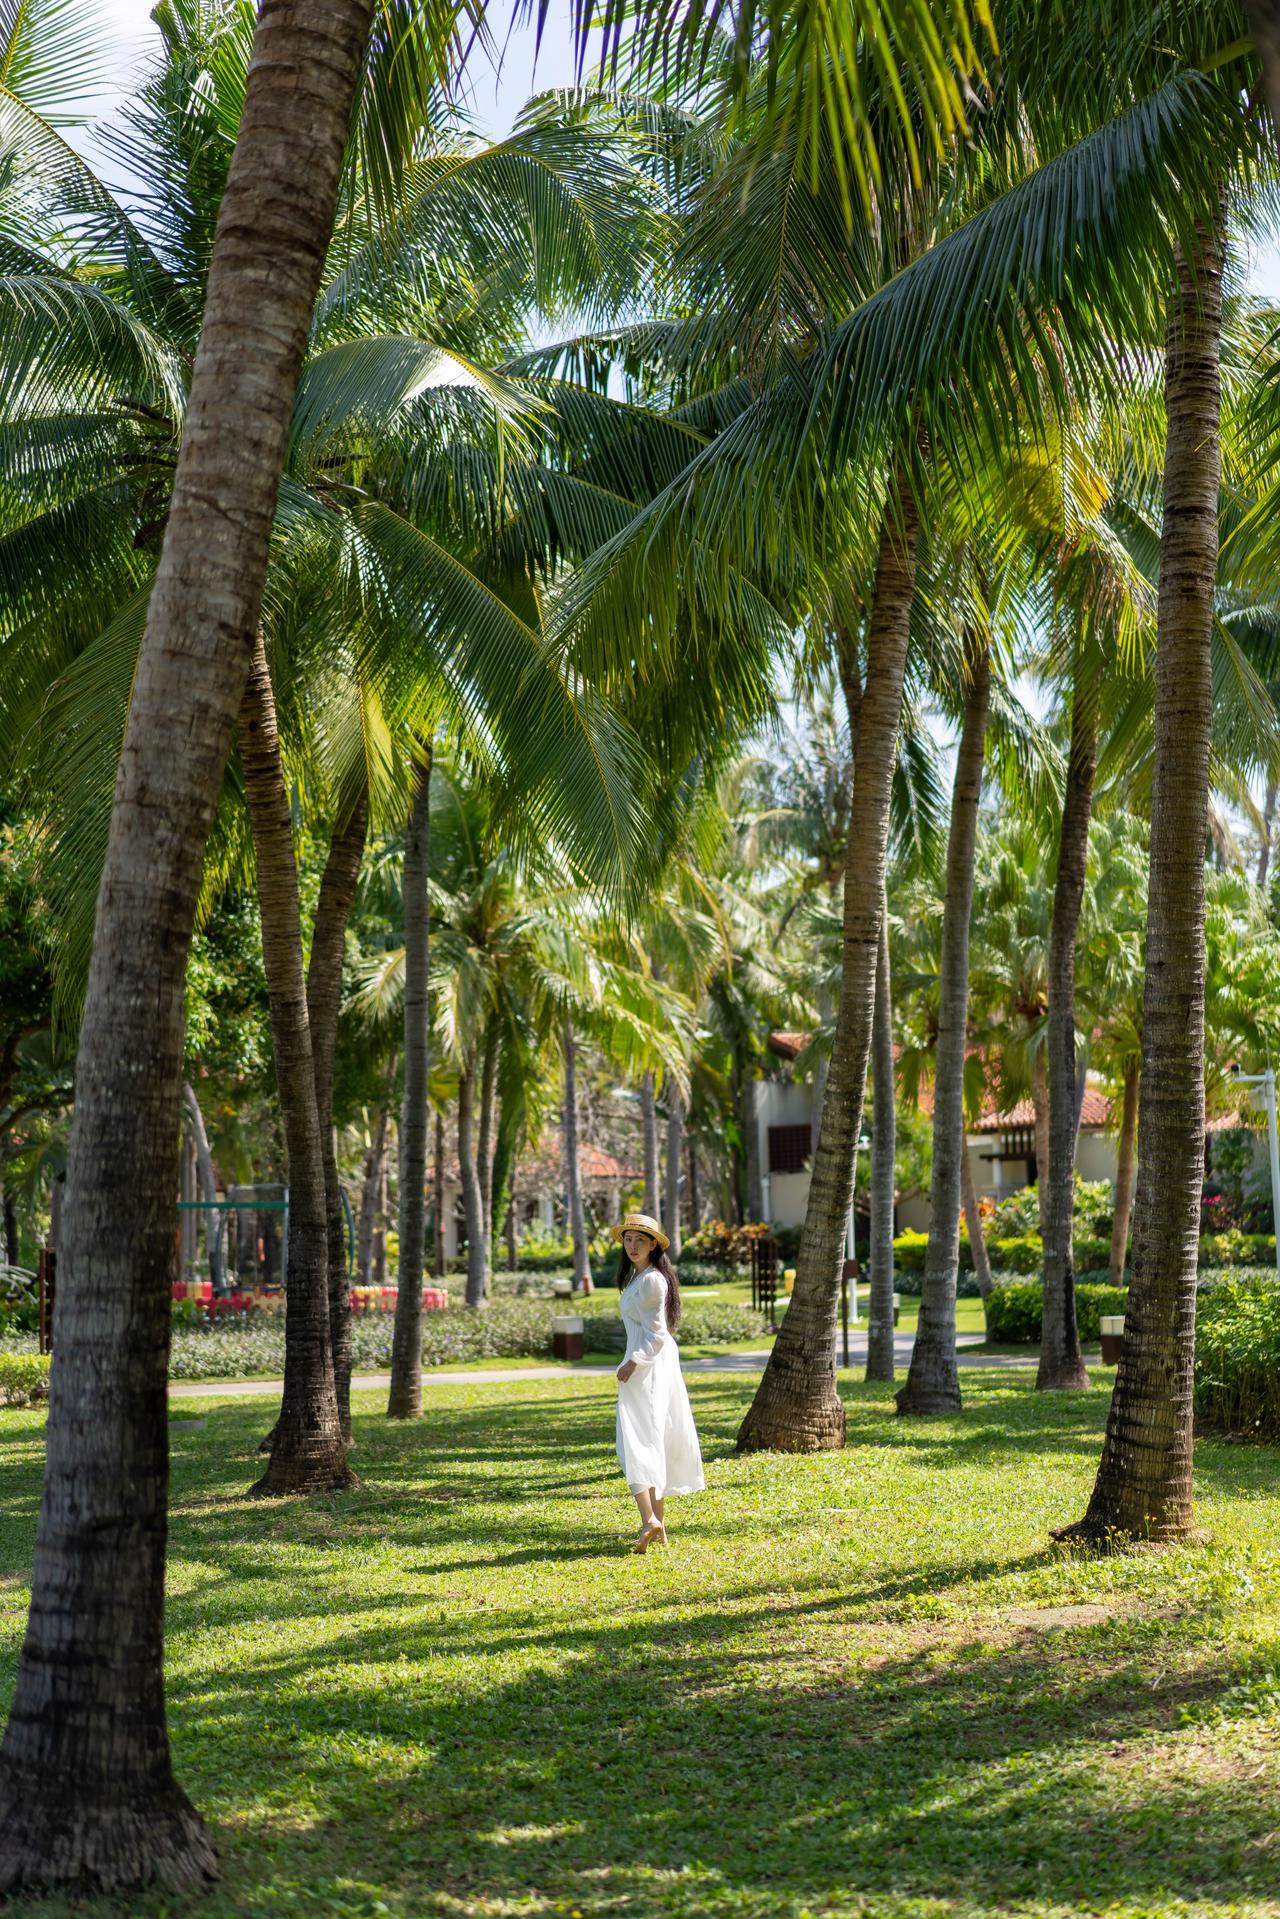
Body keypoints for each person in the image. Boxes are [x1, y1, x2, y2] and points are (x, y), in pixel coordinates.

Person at [611, 1211, 704, 1552]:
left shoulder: (651, 1281)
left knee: (635, 1441)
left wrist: (633, 1363)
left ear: (653, 1245)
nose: (632, 1246)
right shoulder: (640, 1278)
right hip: (648, 1366)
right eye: (628, 1240)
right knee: (652, 1437)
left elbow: (658, 1334)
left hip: (645, 1367)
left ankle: (648, 1519)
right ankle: (659, 1528)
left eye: (640, 1240)